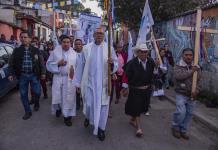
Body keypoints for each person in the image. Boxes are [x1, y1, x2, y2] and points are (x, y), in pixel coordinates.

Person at [80, 27, 118, 141]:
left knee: (103, 107)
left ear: (104, 35)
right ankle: (87, 117)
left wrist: (112, 64)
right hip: (90, 83)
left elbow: (115, 64)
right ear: (93, 35)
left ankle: (101, 129)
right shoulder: (86, 48)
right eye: (97, 33)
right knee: (89, 104)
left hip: (104, 84)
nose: (99, 35)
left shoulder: (109, 49)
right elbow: (81, 66)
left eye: (101, 34)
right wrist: (78, 82)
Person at [8, 31, 46, 120]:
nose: (23, 39)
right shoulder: (17, 50)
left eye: (25, 37)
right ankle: (27, 111)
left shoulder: (36, 50)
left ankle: (36, 102)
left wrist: (43, 73)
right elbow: (11, 63)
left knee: (37, 92)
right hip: (22, 76)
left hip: (34, 74)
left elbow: (41, 62)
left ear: (29, 39)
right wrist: (10, 73)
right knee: (23, 94)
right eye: (21, 37)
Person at [46, 35, 82, 127]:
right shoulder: (55, 52)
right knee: (58, 97)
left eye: (68, 42)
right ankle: (58, 109)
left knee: (68, 99)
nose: (66, 44)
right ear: (61, 43)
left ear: (70, 43)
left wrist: (77, 84)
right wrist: (58, 64)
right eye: (64, 42)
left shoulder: (74, 54)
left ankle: (67, 117)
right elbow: (48, 64)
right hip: (58, 77)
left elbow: (78, 69)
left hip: (70, 80)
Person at [121, 43, 156, 137]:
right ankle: (139, 128)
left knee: (142, 107)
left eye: (145, 52)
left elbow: (154, 73)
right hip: (135, 89)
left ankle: (133, 120)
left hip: (146, 90)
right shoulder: (132, 63)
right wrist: (125, 88)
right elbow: (125, 75)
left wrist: (159, 69)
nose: (144, 54)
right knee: (136, 106)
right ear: (137, 53)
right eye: (142, 52)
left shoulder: (151, 61)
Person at [171, 48, 201, 140]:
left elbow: (199, 80)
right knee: (181, 112)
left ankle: (183, 129)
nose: (188, 57)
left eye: (190, 55)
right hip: (181, 93)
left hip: (192, 95)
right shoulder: (178, 66)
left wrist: (197, 90)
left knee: (189, 113)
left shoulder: (197, 67)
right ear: (182, 56)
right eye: (186, 55)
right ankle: (175, 127)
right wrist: (192, 71)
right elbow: (179, 76)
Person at [74, 39, 83, 110]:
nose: (78, 46)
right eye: (76, 44)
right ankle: (77, 104)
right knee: (76, 91)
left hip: (83, 75)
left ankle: (83, 102)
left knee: (83, 91)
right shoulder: (72, 54)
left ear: (82, 45)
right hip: (75, 75)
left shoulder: (85, 53)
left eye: (79, 44)